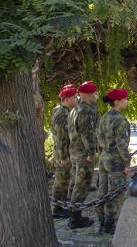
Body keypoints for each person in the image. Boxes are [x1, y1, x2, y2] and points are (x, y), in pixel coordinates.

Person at [96, 88, 132, 234]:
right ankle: (110, 226)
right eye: (124, 99)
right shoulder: (121, 120)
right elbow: (121, 145)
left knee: (102, 191)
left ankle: (102, 223)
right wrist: (127, 163)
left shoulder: (103, 118)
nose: (127, 101)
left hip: (103, 158)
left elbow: (98, 140)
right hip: (116, 161)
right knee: (115, 193)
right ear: (117, 102)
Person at [67, 80, 98, 229]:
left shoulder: (74, 109)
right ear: (89, 94)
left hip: (74, 151)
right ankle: (75, 219)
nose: (96, 96)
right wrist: (92, 153)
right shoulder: (85, 110)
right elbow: (87, 134)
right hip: (83, 154)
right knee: (82, 185)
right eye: (95, 93)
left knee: (75, 183)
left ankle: (74, 214)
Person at [51, 84, 78, 219]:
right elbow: (61, 137)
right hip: (63, 154)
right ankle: (57, 209)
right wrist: (63, 156)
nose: (77, 99)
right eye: (74, 97)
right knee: (61, 181)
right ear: (67, 99)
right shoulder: (61, 114)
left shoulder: (67, 111)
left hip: (67, 153)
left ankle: (61, 205)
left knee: (66, 180)